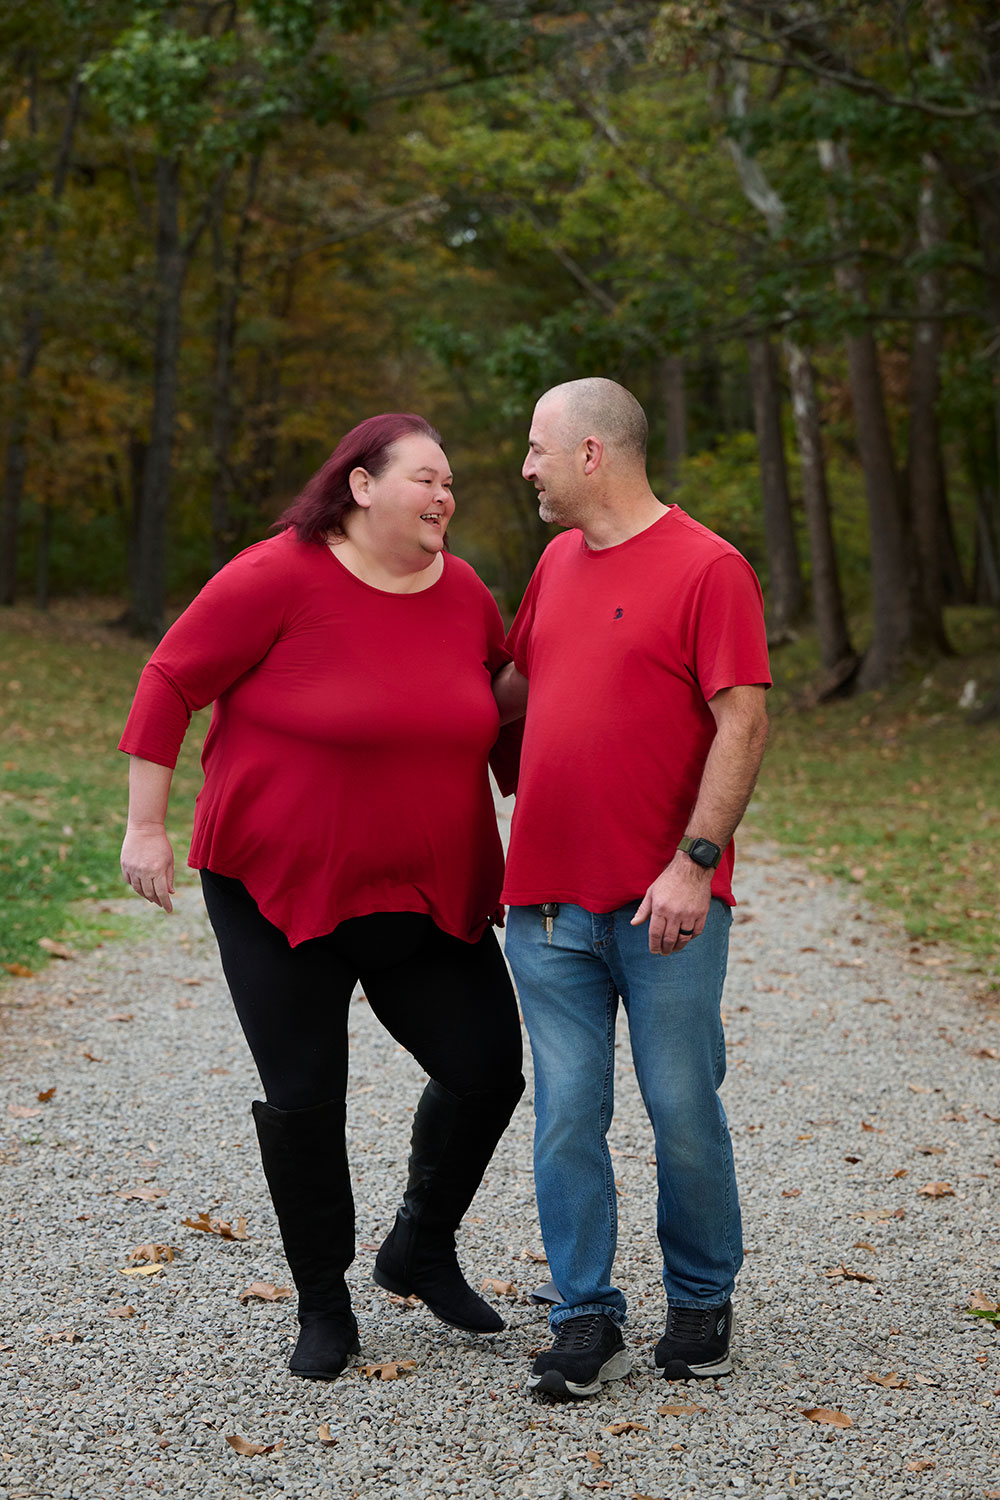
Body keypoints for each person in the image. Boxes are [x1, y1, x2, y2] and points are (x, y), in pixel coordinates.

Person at [119, 413, 525, 1382]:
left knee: (486, 1072)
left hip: (425, 889)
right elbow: (171, 679)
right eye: (426, 479)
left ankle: (419, 1248)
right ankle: (324, 1302)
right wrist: (147, 825)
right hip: (276, 885)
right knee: (307, 1100)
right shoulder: (276, 575)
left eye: (451, 483)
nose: (444, 498)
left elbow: (500, 705)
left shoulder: (464, 591)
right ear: (360, 485)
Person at [492, 378, 770, 1400]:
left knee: (680, 1105)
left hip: (668, 909)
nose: (526, 467)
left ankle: (700, 1301)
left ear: (592, 455)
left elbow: (742, 718)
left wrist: (694, 862)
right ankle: (583, 1315)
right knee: (566, 1112)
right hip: (548, 908)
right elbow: (506, 693)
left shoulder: (709, 567)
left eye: (537, 449)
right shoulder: (556, 563)